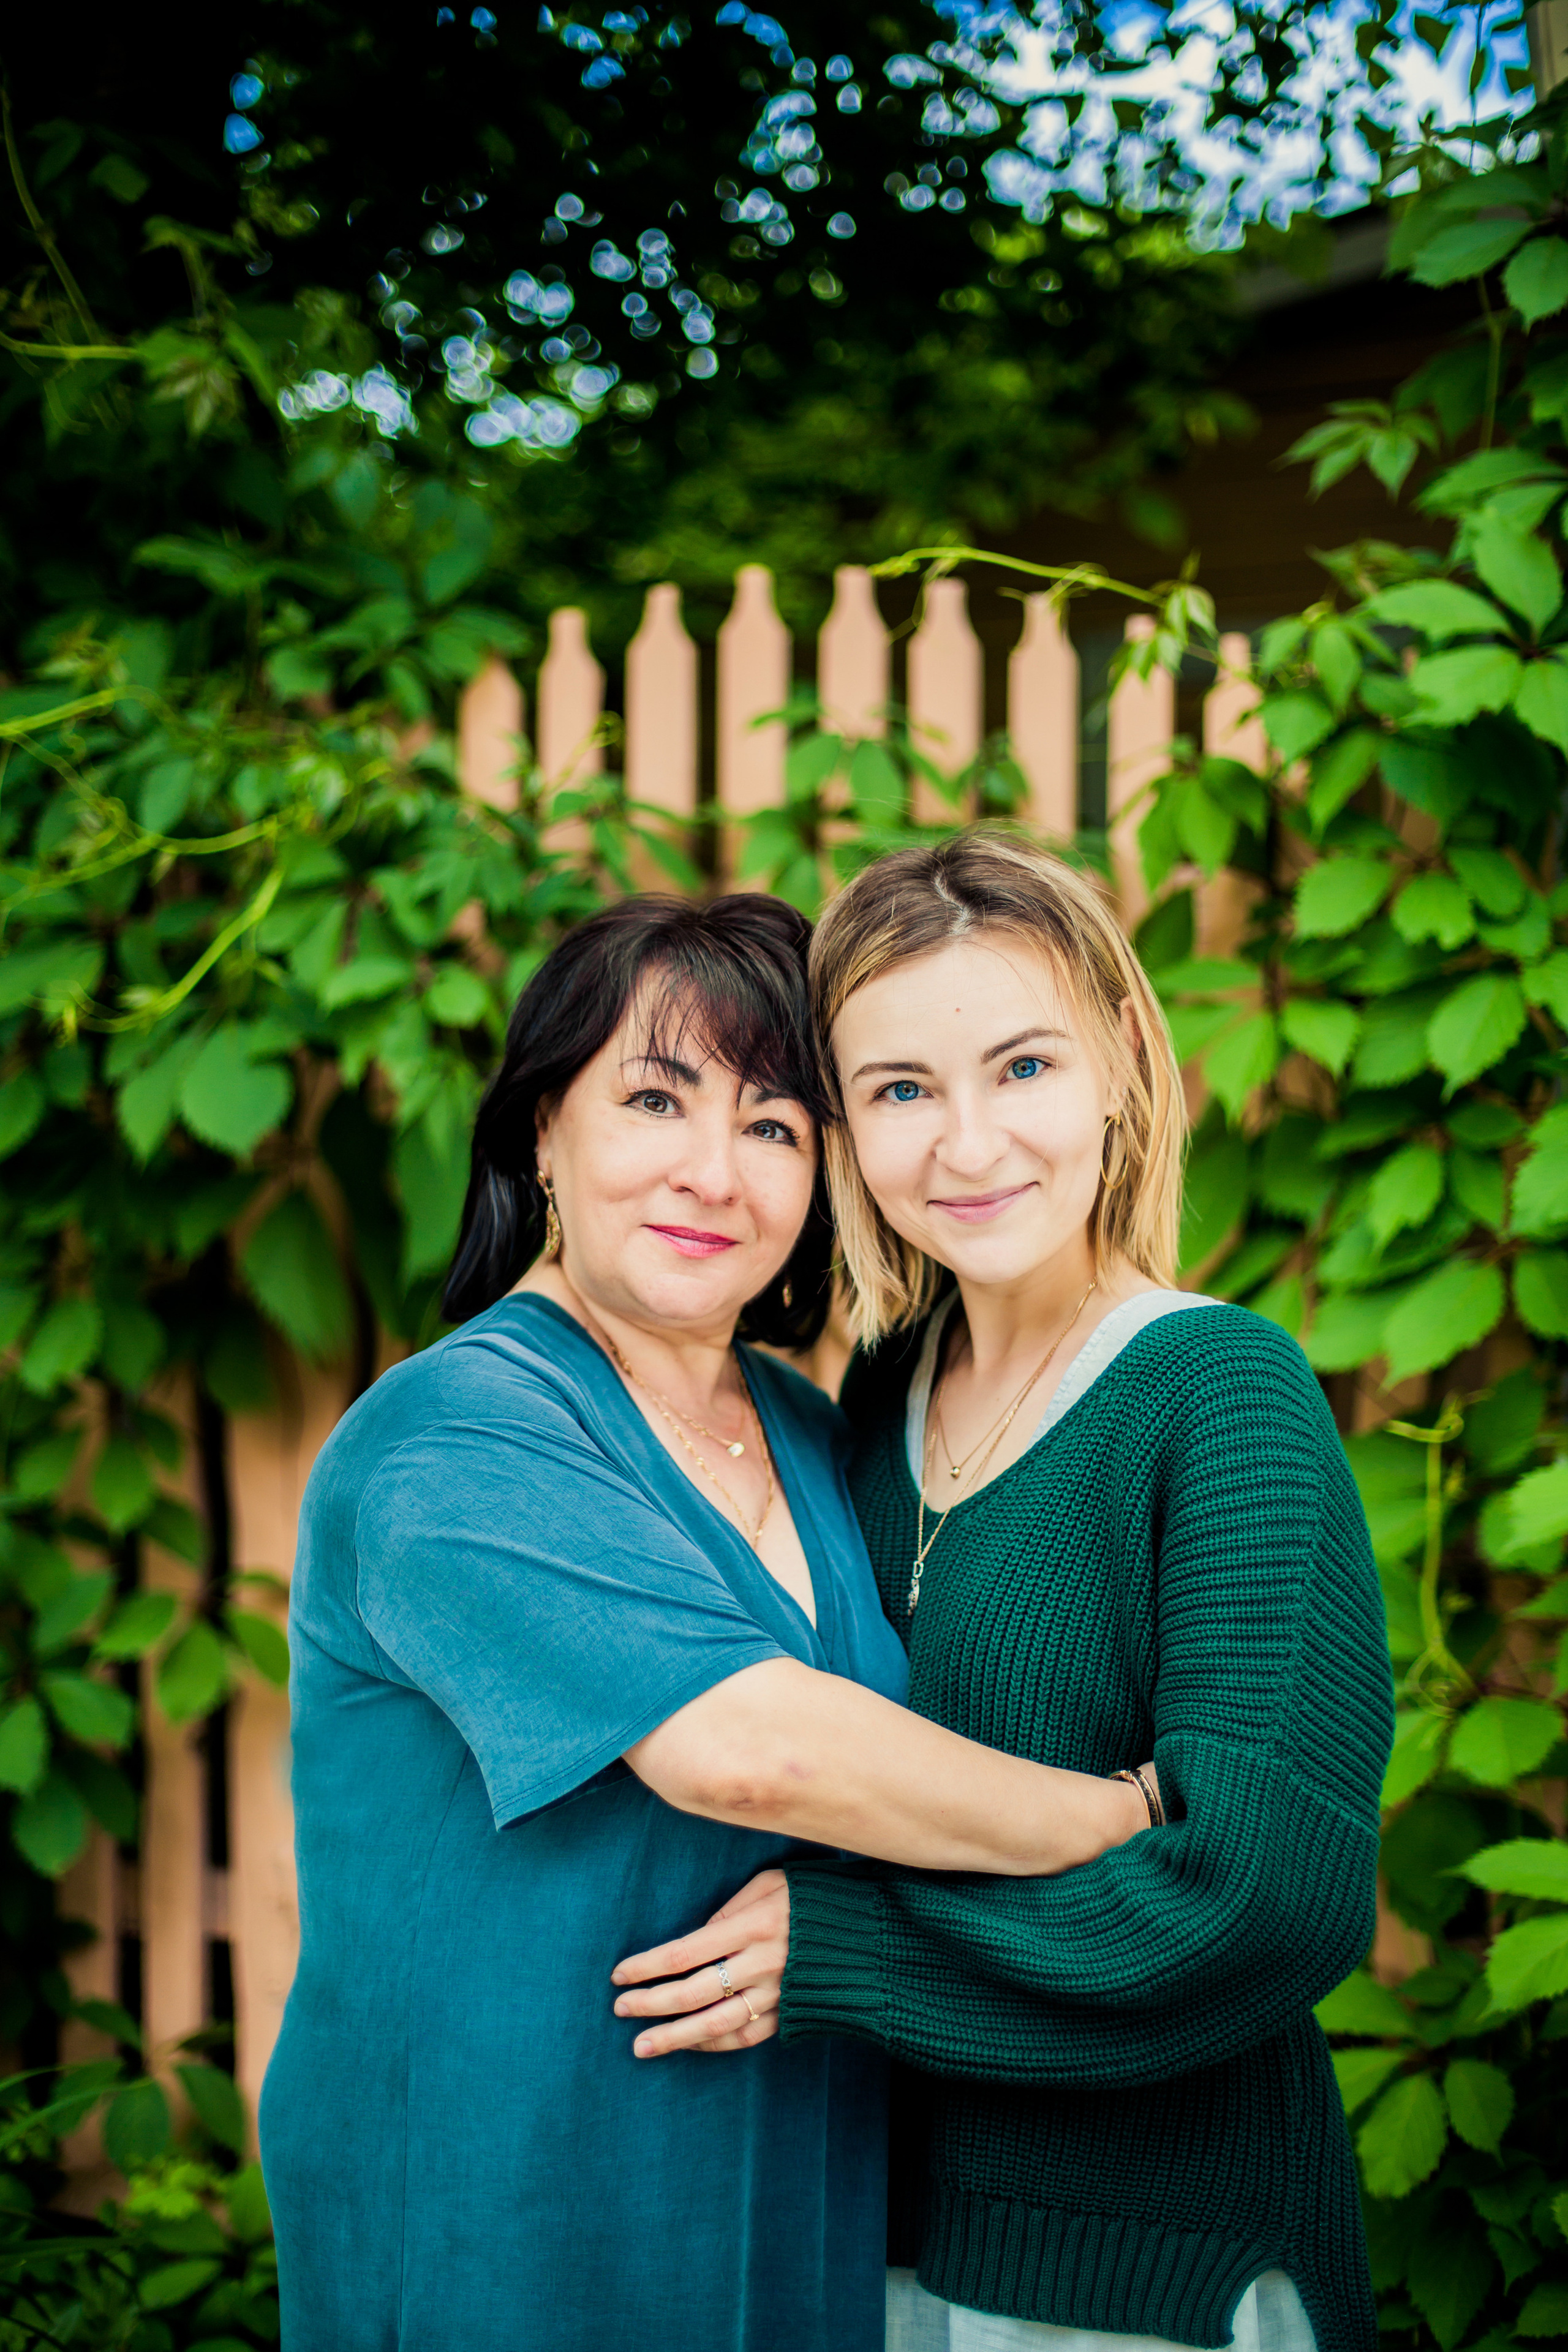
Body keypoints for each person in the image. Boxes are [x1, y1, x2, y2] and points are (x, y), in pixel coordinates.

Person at [260, 891, 1156, 2352]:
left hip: (789, 2182)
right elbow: (753, 1756)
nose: (710, 1173)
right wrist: (1123, 1821)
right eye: (653, 1100)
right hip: (516, 2206)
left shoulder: (817, 1433)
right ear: (541, 1134)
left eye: (774, 1126)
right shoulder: (452, 1439)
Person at [612, 842, 1393, 2352]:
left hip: (1145, 2261)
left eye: (1021, 1066)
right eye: (899, 1090)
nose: (965, 1145)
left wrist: (847, 1954)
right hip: (876, 2238)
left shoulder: (1217, 1395)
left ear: (1114, 1058)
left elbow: (1265, 1899)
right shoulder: (881, 1395)